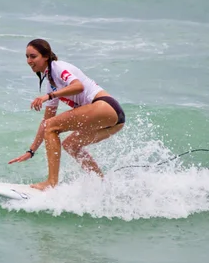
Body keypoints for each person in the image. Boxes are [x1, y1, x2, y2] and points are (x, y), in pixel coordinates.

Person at [8, 39, 126, 190]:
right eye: (27, 57)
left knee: (52, 127)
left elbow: (78, 86)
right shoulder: (51, 83)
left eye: (33, 56)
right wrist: (31, 151)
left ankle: (51, 183)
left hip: (105, 105)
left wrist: (48, 97)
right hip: (116, 120)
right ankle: (101, 184)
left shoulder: (57, 68)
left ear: (46, 56)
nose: (29, 61)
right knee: (71, 145)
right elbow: (46, 121)